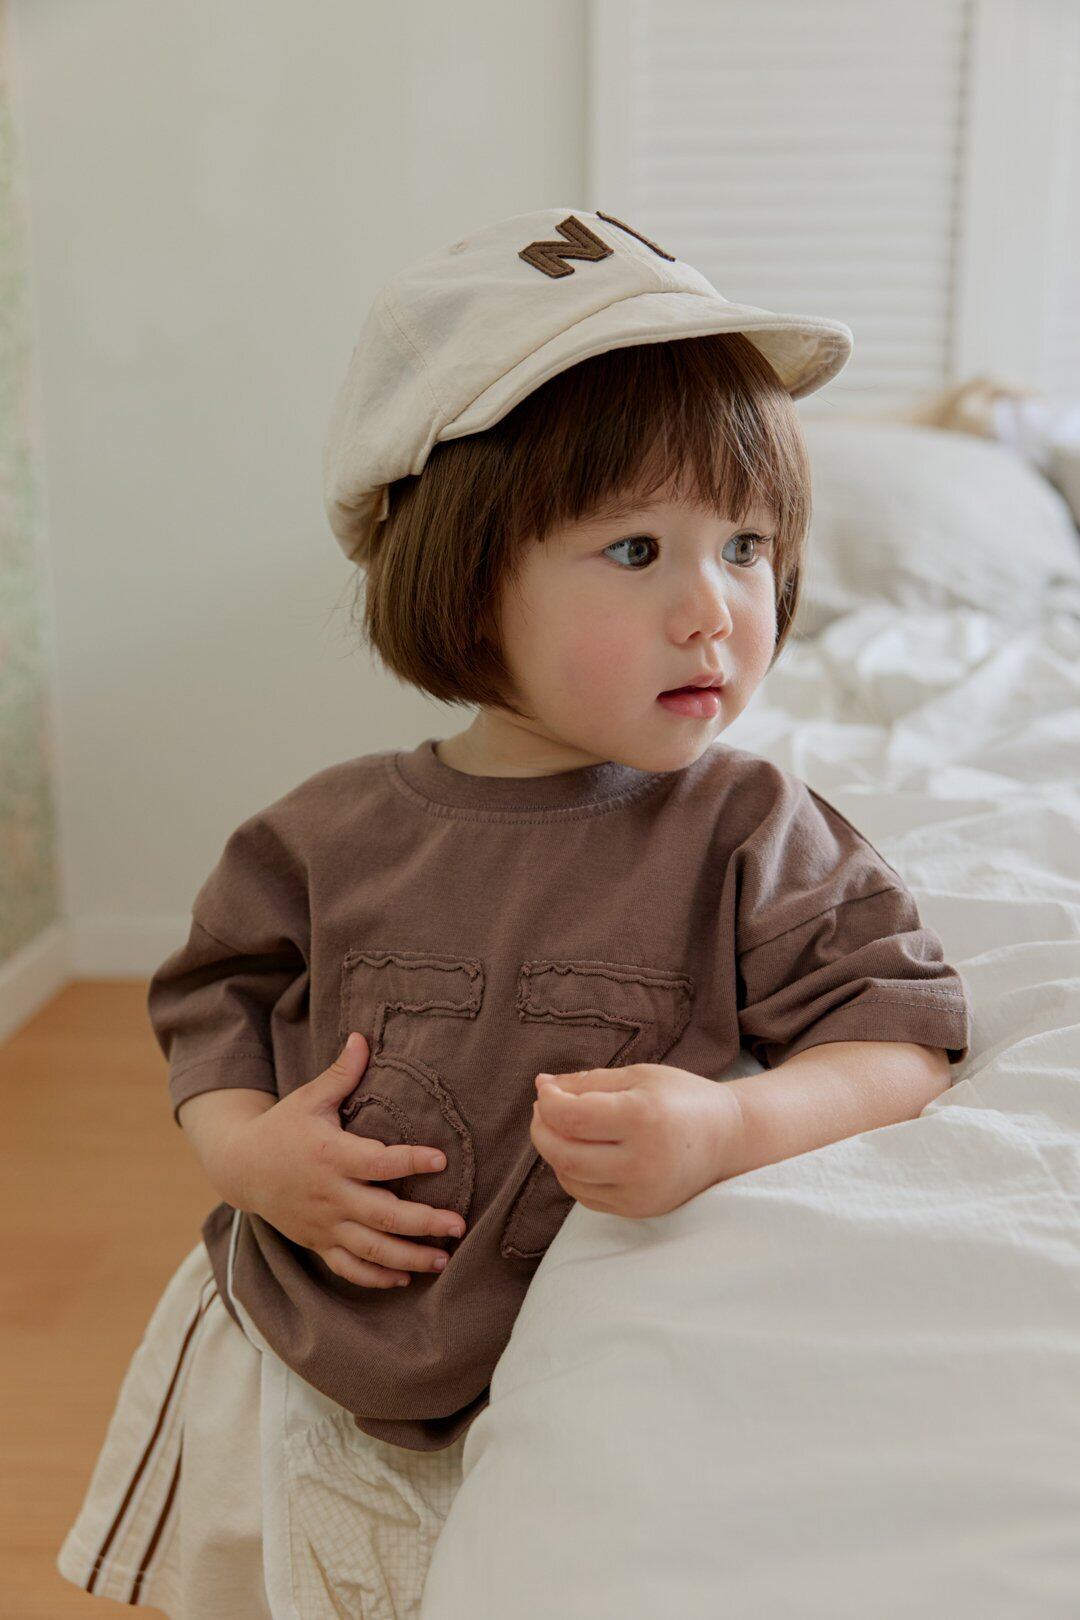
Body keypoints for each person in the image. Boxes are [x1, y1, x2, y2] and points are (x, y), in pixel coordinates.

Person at [55, 206, 973, 1619]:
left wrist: (729, 1127)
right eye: (636, 551)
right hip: (283, 1347)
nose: (716, 611)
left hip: (584, 1370)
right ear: (467, 578)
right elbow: (211, 1004)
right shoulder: (324, 834)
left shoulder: (746, 827)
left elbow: (901, 1038)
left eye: (745, 544)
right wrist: (247, 1156)